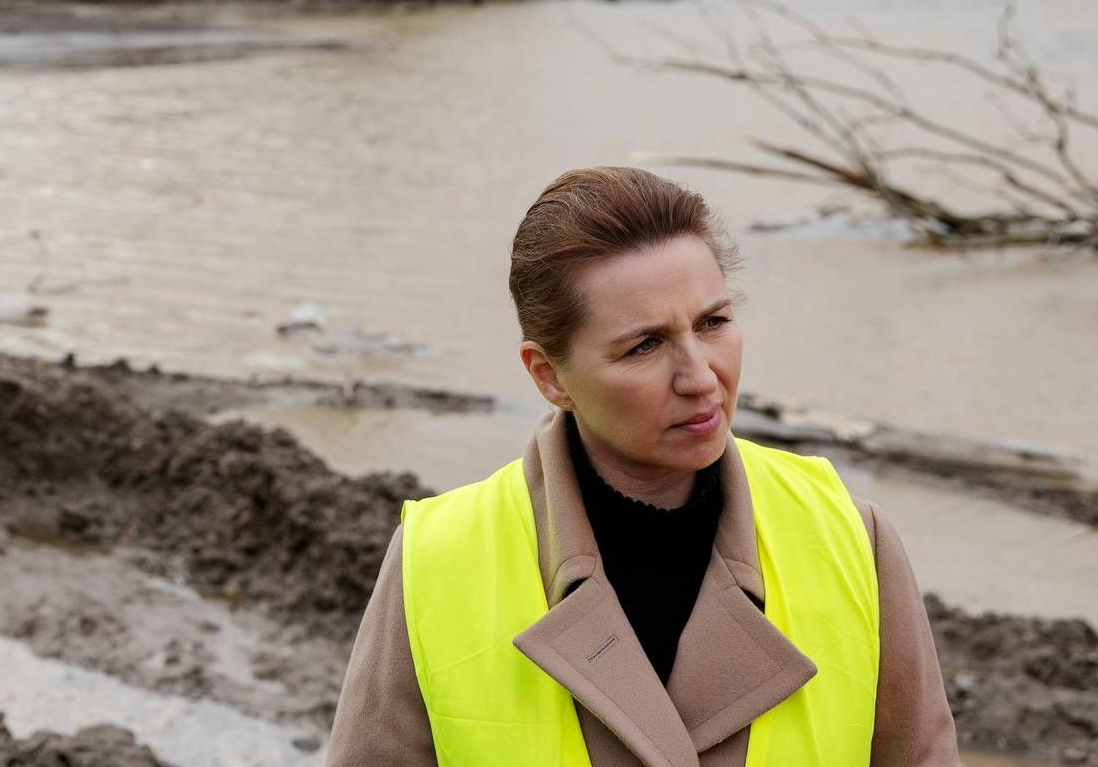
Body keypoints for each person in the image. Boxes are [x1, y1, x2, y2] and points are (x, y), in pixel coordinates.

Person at [327, 166, 959, 766]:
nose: (701, 377)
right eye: (645, 345)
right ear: (549, 376)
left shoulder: (851, 538)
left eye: (713, 322)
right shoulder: (436, 561)